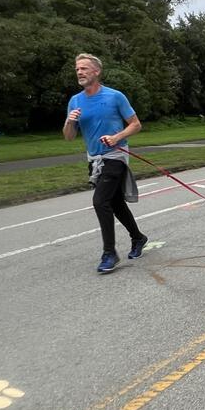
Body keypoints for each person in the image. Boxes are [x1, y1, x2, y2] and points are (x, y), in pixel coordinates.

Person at [63, 54, 148, 273]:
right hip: (94, 159)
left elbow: (136, 125)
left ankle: (109, 252)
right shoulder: (75, 101)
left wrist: (116, 137)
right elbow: (69, 136)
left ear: (96, 72)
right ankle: (138, 238)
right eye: (77, 69)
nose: (80, 72)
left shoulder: (114, 96)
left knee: (100, 201)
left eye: (84, 68)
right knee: (116, 202)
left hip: (115, 155)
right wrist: (69, 121)